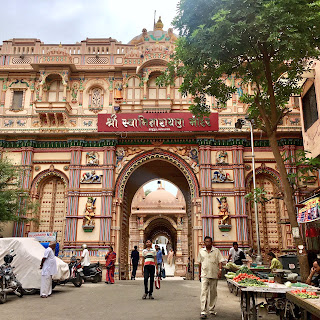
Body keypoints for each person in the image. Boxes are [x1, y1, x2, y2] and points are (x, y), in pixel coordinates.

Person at [198, 236, 224, 319]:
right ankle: (203, 311)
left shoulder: (216, 251)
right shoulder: (201, 251)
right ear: (204, 243)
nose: (208, 243)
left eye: (209, 241)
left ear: (211, 243)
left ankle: (211, 309)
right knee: (203, 292)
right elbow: (199, 263)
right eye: (206, 241)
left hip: (214, 274)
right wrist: (199, 274)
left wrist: (220, 270)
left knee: (213, 293)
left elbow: (220, 261)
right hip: (204, 275)